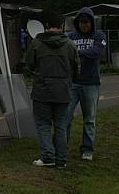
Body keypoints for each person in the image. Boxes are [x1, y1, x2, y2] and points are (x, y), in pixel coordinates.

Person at [25, 10, 79, 168]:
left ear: (46, 25)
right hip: (63, 90)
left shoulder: (37, 43)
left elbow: (30, 65)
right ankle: (61, 160)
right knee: (61, 125)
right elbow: (76, 68)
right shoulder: (70, 44)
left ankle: (48, 157)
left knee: (43, 125)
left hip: (42, 90)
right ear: (62, 25)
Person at [65, 7, 107, 161]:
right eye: (81, 22)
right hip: (72, 82)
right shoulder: (71, 36)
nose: (84, 25)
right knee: (65, 117)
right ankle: (62, 146)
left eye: (87, 22)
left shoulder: (99, 35)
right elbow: (65, 53)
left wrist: (77, 53)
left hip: (91, 83)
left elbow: (97, 52)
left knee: (89, 119)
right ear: (77, 22)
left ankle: (87, 149)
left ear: (91, 22)